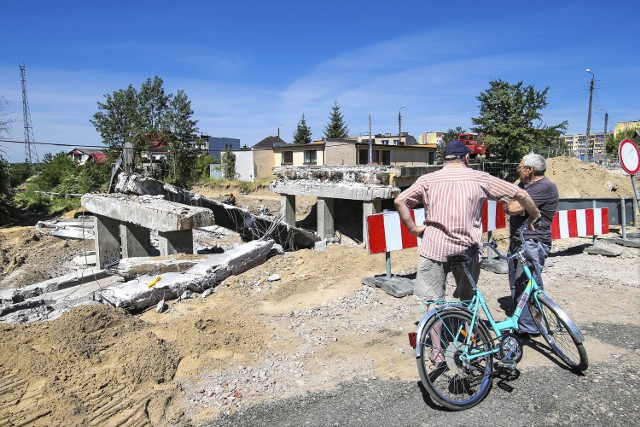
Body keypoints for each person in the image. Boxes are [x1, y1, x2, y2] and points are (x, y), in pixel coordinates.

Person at [394, 140, 540, 364]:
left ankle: (437, 351)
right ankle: (469, 340)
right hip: (467, 249)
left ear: (445, 159)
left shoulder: (427, 180)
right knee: (467, 298)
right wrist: (534, 215)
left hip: (434, 248)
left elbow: (399, 200)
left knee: (433, 301)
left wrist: (414, 229)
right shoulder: (479, 178)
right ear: (466, 158)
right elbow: (519, 194)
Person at [503, 153, 559, 338]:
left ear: (530, 170)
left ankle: (531, 327)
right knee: (516, 283)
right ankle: (521, 321)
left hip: (532, 242)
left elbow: (512, 208)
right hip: (519, 242)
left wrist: (507, 201)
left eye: (521, 167)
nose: (518, 170)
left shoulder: (544, 187)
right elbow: (510, 196)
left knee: (529, 283)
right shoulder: (524, 185)